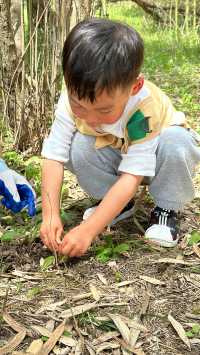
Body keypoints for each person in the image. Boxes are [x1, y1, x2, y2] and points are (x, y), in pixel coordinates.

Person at [40, 18, 200, 257]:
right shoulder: (71, 97)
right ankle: (117, 204)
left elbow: (132, 175)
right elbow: (53, 157)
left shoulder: (142, 110)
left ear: (134, 87)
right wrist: (50, 214)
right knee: (78, 146)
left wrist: (88, 230)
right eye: (79, 107)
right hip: (118, 155)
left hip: (155, 160)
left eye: (104, 110)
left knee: (176, 143)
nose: (91, 119)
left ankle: (166, 209)